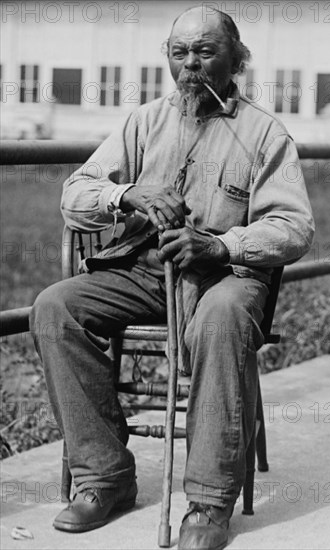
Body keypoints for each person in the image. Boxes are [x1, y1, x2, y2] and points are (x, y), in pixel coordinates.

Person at [30, 6, 314, 550]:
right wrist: (125, 194)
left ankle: (208, 502)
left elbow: (294, 227)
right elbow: (75, 196)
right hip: (145, 272)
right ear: (167, 58)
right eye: (179, 53)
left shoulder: (264, 134)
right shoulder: (143, 123)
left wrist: (220, 243)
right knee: (55, 306)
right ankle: (105, 476)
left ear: (236, 59)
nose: (191, 66)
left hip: (225, 278)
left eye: (205, 52)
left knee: (222, 318)